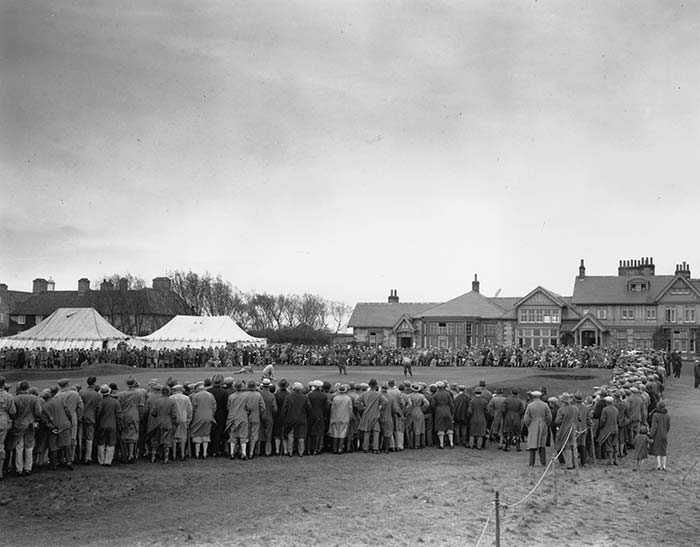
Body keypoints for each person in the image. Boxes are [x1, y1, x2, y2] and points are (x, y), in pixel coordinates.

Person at [9, 380, 42, 477]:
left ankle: (19, 468)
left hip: (18, 424)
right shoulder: (34, 398)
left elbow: (13, 412)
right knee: (29, 446)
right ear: (28, 387)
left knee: (19, 447)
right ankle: (28, 468)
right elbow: (38, 411)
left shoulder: (15, 399)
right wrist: (35, 419)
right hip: (30, 424)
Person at [40, 387, 73, 470]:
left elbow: (45, 420)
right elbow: (67, 411)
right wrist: (69, 420)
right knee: (67, 444)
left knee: (53, 446)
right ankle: (69, 461)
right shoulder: (60, 400)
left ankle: (53, 464)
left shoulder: (44, 406)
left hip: (54, 427)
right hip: (65, 424)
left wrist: (51, 427)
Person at [55, 378, 84, 464]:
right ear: (67, 384)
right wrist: (79, 416)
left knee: (61, 438)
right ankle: (70, 458)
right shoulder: (75, 394)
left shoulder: (57, 396)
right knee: (73, 437)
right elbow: (81, 406)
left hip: (61, 419)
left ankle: (61, 458)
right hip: (73, 418)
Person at [117, 376, 145, 464]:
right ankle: (131, 455)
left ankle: (124, 454)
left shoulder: (121, 394)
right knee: (133, 435)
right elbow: (141, 407)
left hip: (125, 415)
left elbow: (119, 406)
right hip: (134, 415)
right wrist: (140, 416)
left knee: (124, 434)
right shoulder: (139, 394)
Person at [356, 378, 387, 454]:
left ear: (369, 385)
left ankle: (365, 447)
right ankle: (375, 448)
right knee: (376, 431)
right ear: (376, 385)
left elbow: (357, 402)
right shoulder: (378, 394)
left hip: (367, 414)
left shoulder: (364, 394)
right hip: (375, 414)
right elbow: (385, 402)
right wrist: (380, 408)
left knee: (367, 431)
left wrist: (362, 408)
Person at [95, 385, 123, 466]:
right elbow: (119, 415)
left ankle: (101, 460)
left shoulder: (100, 401)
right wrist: (120, 424)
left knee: (101, 443)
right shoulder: (115, 402)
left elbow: (98, 413)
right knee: (111, 443)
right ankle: (108, 461)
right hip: (112, 424)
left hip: (102, 424)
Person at [281, 382, 311, 457]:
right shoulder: (305, 397)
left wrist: (284, 417)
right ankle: (301, 451)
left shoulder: (289, 397)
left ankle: (290, 451)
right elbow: (309, 407)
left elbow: (284, 409)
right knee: (301, 436)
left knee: (291, 435)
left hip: (291, 418)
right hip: (302, 418)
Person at [523, 391, 552, 467]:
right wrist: (547, 423)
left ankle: (531, 462)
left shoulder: (530, 405)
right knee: (542, 444)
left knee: (532, 443)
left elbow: (526, 418)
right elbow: (549, 417)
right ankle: (543, 462)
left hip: (533, 424)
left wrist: (528, 425)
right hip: (543, 424)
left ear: (533, 397)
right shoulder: (545, 405)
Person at [190, 382, 216, 459]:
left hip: (198, 416)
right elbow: (214, 407)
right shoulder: (211, 395)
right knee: (206, 434)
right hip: (209, 416)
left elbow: (193, 408)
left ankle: (197, 453)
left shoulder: (196, 396)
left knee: (197, 434)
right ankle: (205, 453)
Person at [80, 377, 102, 464]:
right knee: (89, 438)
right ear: (94, 383)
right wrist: (96, 417)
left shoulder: (81, 392)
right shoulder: (97, 395)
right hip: (91, 417)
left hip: (82, 417)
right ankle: (88, 457)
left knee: (81, 436)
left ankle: (80, 455)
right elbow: (99, 409)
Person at [170, 385, 193, 461]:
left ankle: (173, 455)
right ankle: (182, 455)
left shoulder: (171, 398)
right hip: (183, 418)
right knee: (183, 437)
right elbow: (190, 410)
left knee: (174, 437)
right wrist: (189, 419)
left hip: (173, 419)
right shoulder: (186, 398)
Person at [0, 376, 16, 479]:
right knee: (1, 445)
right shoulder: (8, 396)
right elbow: (13, 411)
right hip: (2, 420)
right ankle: (0, 471)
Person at [329, 384, 353, 453]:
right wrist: (350, 416)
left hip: (336, 417)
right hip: (345, 417)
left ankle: (334, 448)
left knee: (335, 433)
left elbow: (332, 409)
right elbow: (350, 409)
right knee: (342, 433)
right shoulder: (348, 399)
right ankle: (340, 448)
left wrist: (332, 417)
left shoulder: (335, 398)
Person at [597, 396, 619, 466]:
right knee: (615, 444)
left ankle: (610, 460)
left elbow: (603, 420)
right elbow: (618, 420)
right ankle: (616, 459)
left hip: (608, 429)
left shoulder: (605, 409)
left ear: (606, 402)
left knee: (608, 444)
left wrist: (601, 426)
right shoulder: (616, 409)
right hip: (615, 428)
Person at [432, 381, 454, 449]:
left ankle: (441, 444)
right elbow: (451, 404)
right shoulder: (447, 394)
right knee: (449, 426)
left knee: (440, 427)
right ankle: (451, 443)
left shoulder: (435, 395)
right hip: (447, 410)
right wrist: (452, 412)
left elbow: (432, 405)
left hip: (439, 411)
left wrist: (435, 410)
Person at [258, 378, 277, 456]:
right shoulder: (272, 396)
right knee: (268, 434)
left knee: (259, 433)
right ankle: (267, 451)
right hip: (269, 416)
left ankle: (258, 450)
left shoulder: (259, 394)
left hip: (259, 416)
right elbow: (275, 409)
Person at [650, 400, 671, 471]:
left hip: (657, 434)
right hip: (664, 434)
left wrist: (651, 434)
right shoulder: (667, 416)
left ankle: (659, 465)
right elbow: (668, 426)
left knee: (657, 449)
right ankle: (664, 465)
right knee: (663, 449)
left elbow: (654, 426)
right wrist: (665, 432)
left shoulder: (655, 415)